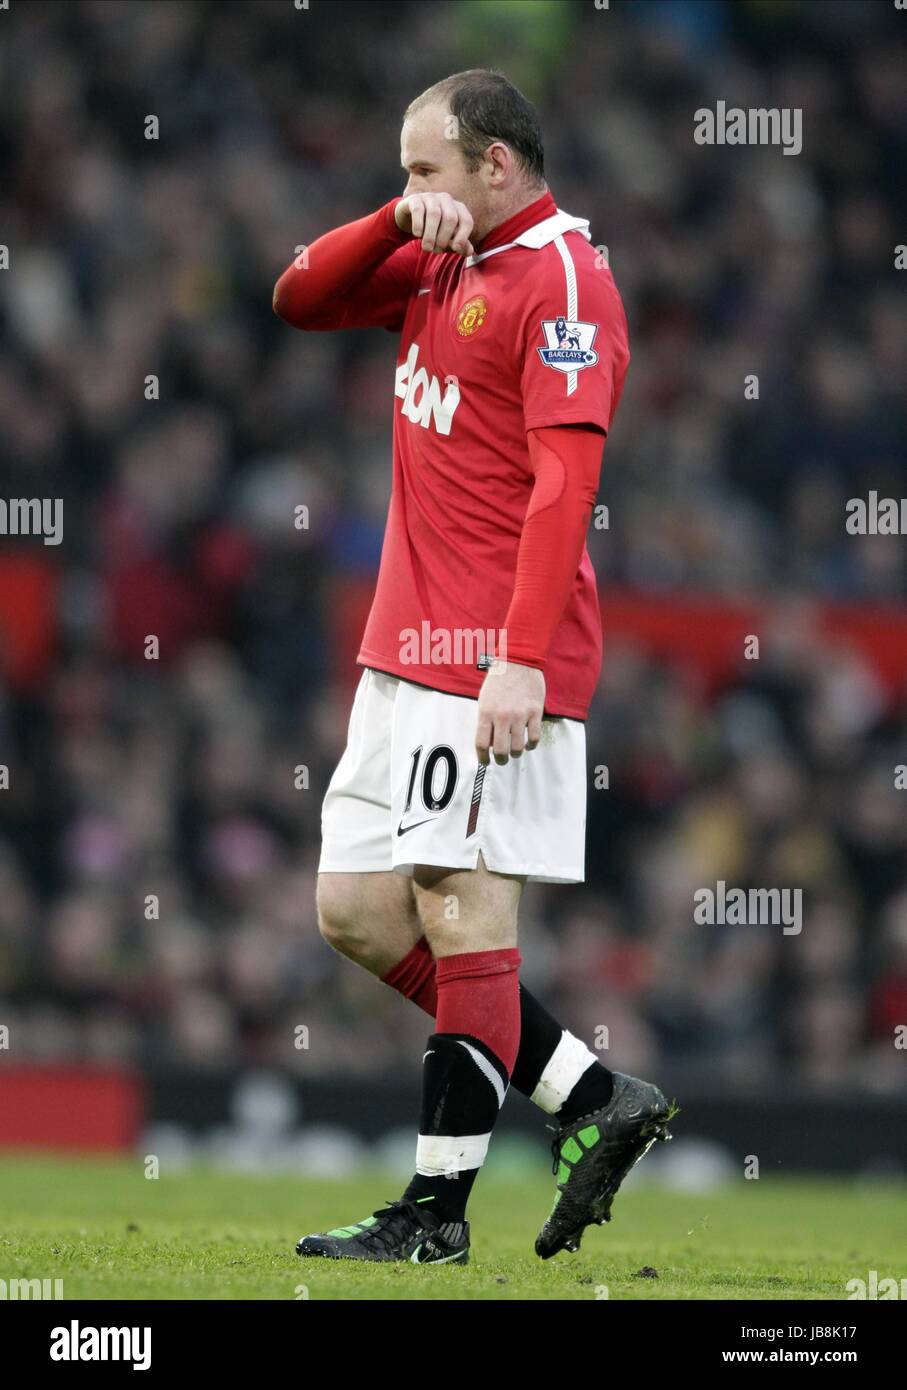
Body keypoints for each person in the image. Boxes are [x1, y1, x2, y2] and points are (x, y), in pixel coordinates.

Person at [274, 67, 675, 1265]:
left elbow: (564, 487)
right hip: (401, 649)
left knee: (459, 910)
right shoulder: (441, 256)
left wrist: (517, 660)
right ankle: (595, 1100)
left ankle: (433, 1217)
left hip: (487, 655)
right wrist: (395, 219)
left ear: (496, 164)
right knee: (353, 907)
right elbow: (298, 296)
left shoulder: (564, 280)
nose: (414, 191)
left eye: (425, 170)